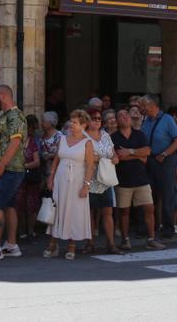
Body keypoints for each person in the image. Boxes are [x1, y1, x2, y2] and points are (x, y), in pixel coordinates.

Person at [44, 110, 95, 260]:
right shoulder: (63, 139)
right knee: (58, 209)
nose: (71, 124)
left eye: (74, 122)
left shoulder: (88, 142)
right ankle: (53, 244)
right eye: (71, 121)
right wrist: (51, 177)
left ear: (83, 125)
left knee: (74, 211)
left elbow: (90, 166)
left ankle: (72, 245)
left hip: (77, 180)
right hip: (61, 178)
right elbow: (56, 159)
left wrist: (86, 185)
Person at [0, 85, 27, 262]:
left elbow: (15, 143)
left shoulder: (16, 116)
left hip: (11, 169)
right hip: (6, 169)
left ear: (3, 96)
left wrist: (1, 165)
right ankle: (11, 245)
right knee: (9, 206)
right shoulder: (5, 116)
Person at [112, 109, 163, 251]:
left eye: (126, 114)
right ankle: (125, 239)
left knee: (149, 208)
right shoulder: (113, 137)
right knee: (124, 212)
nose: (125, 117)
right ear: (117, 121)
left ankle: (151, 239)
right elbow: (117, 156)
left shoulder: (139, 134)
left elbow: (147, 152)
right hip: (123, 180)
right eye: (121, 115)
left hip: (141, 178)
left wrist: (129, 152)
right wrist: (137, 155)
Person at [140, 96, 177, 237]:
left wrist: (164, 154)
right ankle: (149, 227)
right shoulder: (146, 121)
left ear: (152, 105)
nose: (142, 108)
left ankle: (169, 228)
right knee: (147, 195)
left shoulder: (168, 119)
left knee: (167, 195)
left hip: (166, 160)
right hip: (150, 160)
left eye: (143, 105)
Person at [84, 112, 119, 254]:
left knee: (108, 211)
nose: (97, 121)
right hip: (90, 179)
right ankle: (90, 243)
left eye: (99, 118)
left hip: (105, 179)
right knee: (89, 213)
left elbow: (113, 152)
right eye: (94, 118)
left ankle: (111, 244)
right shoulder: (83, 137)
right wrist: (96, 158)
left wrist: (116, 158)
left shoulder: (105, 135)